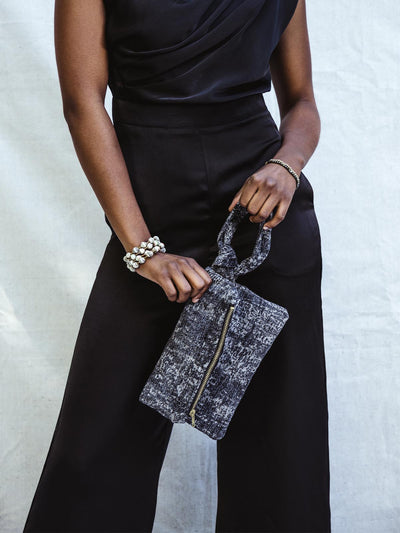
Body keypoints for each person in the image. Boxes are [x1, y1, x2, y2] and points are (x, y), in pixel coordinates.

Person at [23, 0, 331, 531]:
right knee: (95, 449)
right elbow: (81, 102)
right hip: (147, 213)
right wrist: (142, 250)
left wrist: (287, 166)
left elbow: (301, 102)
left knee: (283, 450)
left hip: (263, 216)